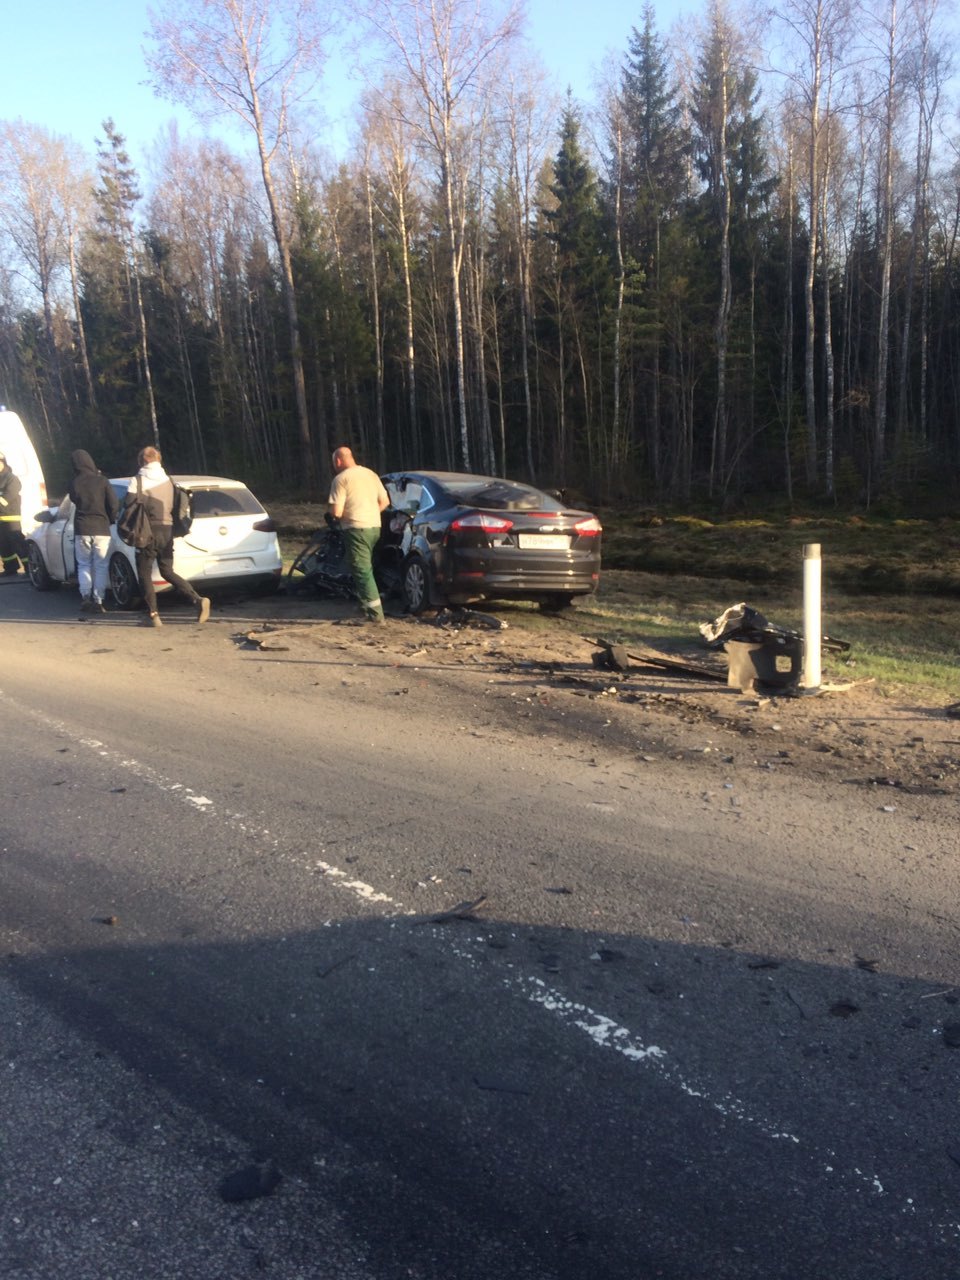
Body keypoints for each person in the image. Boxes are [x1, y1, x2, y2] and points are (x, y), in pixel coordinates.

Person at [124, 446, 210, 628]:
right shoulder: (168, 480)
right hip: (168, 529)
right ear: (158, 460)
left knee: (144, 572)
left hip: (146, 531)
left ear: (142, 461)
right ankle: (196, 599)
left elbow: (128, 505)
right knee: (167, 570)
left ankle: (153, 614)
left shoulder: (137, 481)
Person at [327, 445, 390, 623]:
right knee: (363, 566)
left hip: (355, 528)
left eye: (334, 463)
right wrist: (371, 512)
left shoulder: (341, 479)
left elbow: (336, 512)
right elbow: (385, 501)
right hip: (375, 527)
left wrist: (339, 514)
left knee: (362, 570)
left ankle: (375, 614)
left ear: (338, 461)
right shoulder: (370, 474)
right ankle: (364, 606)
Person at [69, 449, 119, 614]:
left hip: (82, 528)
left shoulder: (75, 482)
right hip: (101, 528)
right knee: (101, 565)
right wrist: (111, 519)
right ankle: (98, 600)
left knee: (84, 564)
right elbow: (113, 504)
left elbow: (73, 499)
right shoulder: (102, 481)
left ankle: (85, 597)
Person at [0, 450, 28, 576]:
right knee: (3, 545)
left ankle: (30, 567)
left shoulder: (11, 478)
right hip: (1, 518)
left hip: (11, 518)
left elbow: (7, 499)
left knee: (18, 543)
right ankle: (10, 568)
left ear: (3, 462)